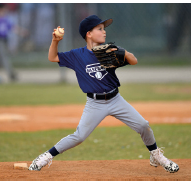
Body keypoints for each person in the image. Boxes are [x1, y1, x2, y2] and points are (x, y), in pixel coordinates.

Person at [28, 15, 179, 173]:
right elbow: (52, 57)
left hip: (115, 100)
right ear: (89, 34)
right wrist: (55, 41)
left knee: (143, 125)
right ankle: (45, 157)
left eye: (104, 29)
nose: (104, 32)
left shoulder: (108, 52)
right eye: (99, 29)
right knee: (79, 136)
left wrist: (122, 52)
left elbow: (134, 61)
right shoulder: (77, 55)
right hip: (95, 104)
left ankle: (156, 156)